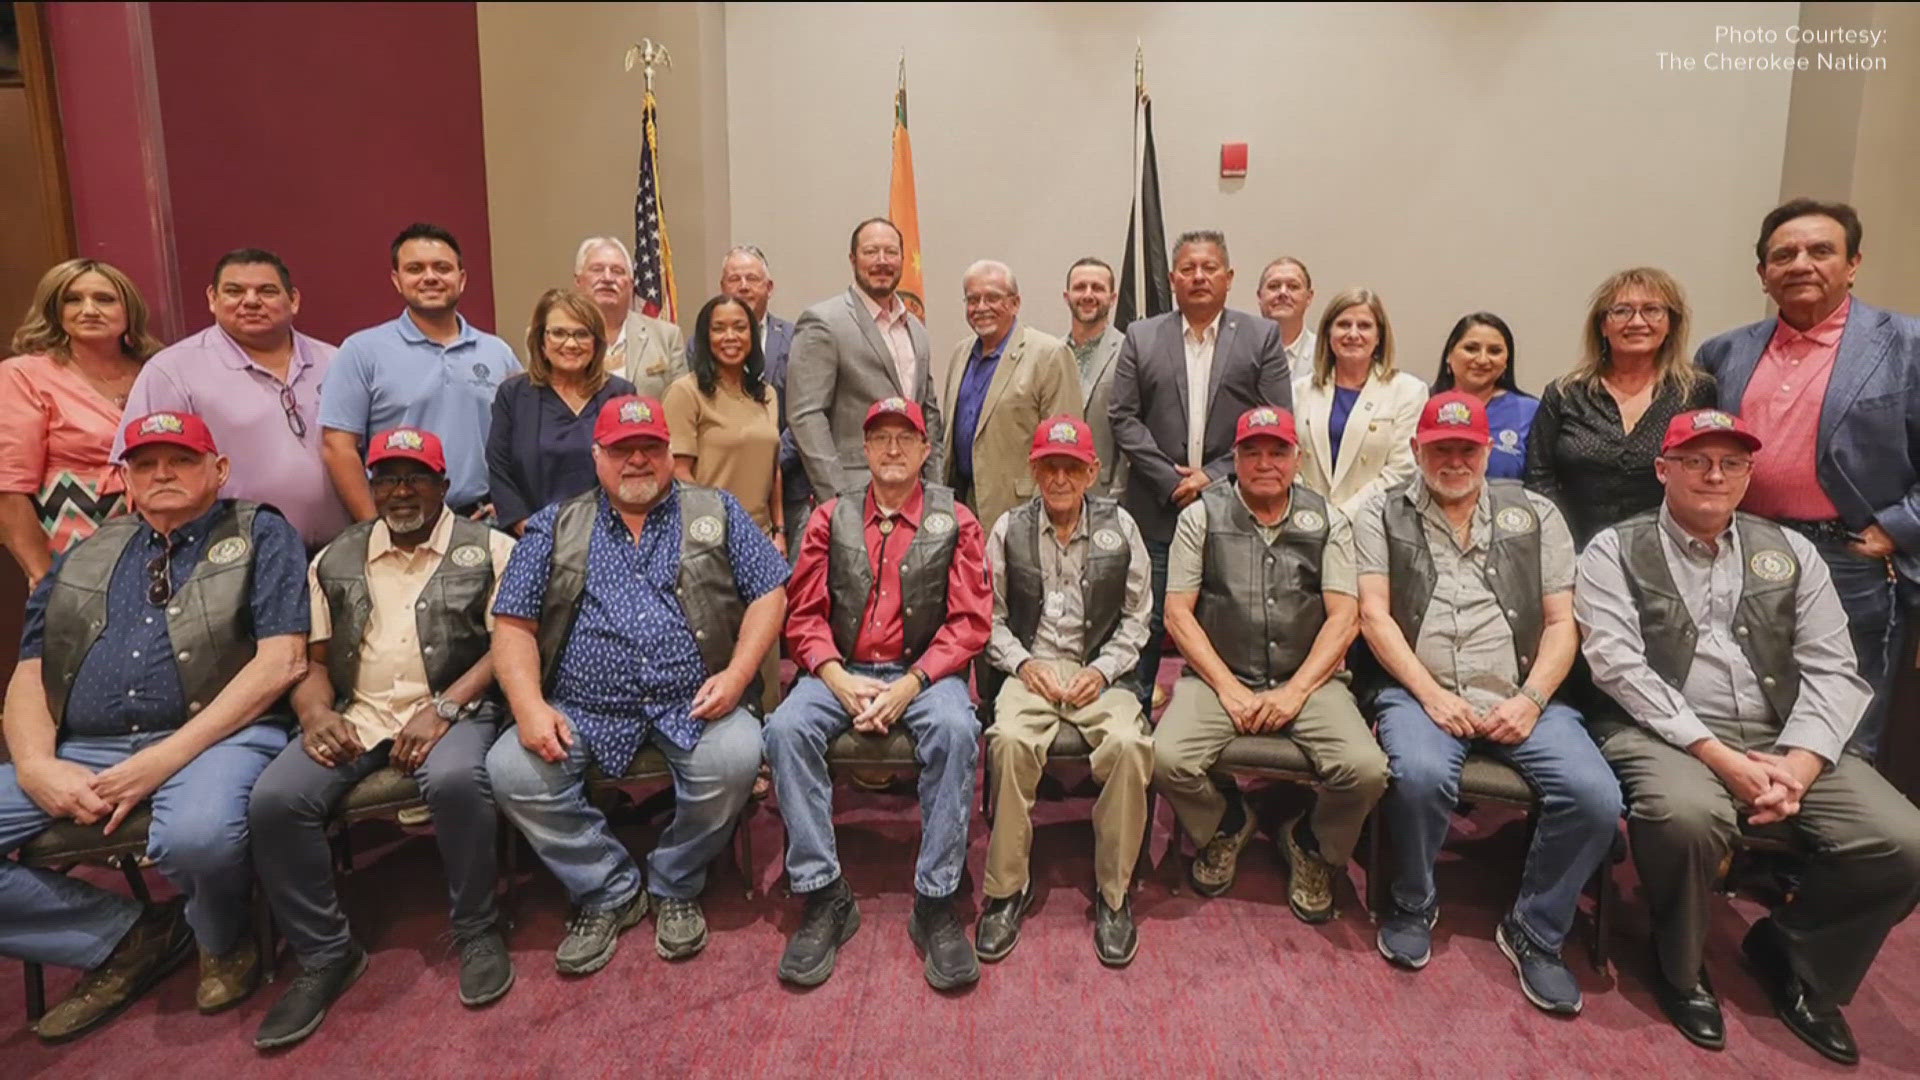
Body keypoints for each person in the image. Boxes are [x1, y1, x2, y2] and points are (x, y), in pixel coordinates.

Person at [1575, 408, 1920, 1064]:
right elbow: (1618, 667)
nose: (1714, 474)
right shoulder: (1613, 550)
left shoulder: (1791, 553)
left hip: (1785, 735)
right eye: (1696, 460)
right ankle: (1678, 965)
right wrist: (1717, 755)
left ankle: (1796, 957)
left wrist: (1801, 765)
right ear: (1663, 469)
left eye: (1731, 462)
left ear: (1748, 473)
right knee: (1685, 814)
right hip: (1663, 731)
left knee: (1903, 842)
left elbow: (1833, 669)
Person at [0, 411, 308, 1041]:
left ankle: (222, 941)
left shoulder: (261, 532)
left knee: (198, 838)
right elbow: (31, 671)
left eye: (182, 460)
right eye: (145, 463)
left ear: (218, 470)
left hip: (218, 736)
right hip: (81, 747)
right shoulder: (84, 553)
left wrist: (161, 761)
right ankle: (132, 935)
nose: (162, 473)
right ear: (125, 478)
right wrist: (35, 765)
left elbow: (282, 662)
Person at [486, 395, 785, 974]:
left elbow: (770, 592)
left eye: (650, 446)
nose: (639, 461)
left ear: (670, 451)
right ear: (597, 456)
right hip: (583, 708)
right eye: (624, 450)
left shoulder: (715, 510)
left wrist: (738, 673)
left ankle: (674, 881)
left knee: (737, 758)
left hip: (694, 701)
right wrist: (527, 706)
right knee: (512, 771)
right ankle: (609, 889)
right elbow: (513, 623)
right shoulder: (555, 524)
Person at [249, 428, 517, 1048]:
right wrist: (315, 714)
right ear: (369, 487)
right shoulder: (334, 558)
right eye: (387, 478)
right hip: (359, 712)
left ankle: (477, 926)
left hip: (456, 708)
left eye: (416, 477)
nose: (401, 491)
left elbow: (508, 646)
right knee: (274, 800)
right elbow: (311, 663)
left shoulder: (491, 548)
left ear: (444, 486)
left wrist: (446, 706)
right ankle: (326, 952)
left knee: (454, 779)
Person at [1355, 391, 1621, 1016]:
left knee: (1596, 798)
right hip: (1420, 687)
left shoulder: (1536, 514)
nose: (1453, 460)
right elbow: (1373, 615)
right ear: (1417, 449)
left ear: (1487, 452)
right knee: (1418, 775)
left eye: (1466, 449)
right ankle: (1414, 899)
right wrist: (1431, 694)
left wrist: (1531, 700)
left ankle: (1536, 928)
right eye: (1440, 448)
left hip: (1522, 688)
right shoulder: (1382, 512)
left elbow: (1563, 623)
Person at [765, 397, 990, 991]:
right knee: (784, 730)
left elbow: (969, 621)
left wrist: (916, 681)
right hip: (841, 668)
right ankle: (824, 894)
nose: (893, 449)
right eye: (880, 438)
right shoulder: (827, 517)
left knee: (957, 729)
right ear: (864, 450)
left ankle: (935, 901)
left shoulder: (956, 517)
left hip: (924, 673)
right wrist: (834, 675)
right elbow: (803, 615)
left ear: (924, 450)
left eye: (905, 438)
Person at [1694, 199, 1920, 762]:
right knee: (1742, 702)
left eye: (1821, 251)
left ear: (1853, 263)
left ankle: (1824, 847)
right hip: (1744, 550)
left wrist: (1896, 529)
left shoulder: (1908, 346)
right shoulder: (1724, 352)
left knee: (1841, 717)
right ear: (1763, 275)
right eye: (1784, 254)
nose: (1801, 264)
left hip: (1850, 557)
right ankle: (1754, 835)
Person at [1153, 405, 1388, 921]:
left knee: (1367, 770)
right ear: (1233, 459)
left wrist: (1296, 691)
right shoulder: (1201, 515)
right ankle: (1227, 822)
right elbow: (1177, 614)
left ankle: (1309, 842)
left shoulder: (1329, 519)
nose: (1265, 463)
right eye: (1251, 452)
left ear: (1296, 458)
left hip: (1310, 680)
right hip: (1219, 676)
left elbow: (1344, 617)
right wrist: (1228, 688)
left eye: (1277, 452)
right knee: (1166, 759)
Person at [979, 414, 1152, 966]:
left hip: (1100, 672)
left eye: (1071, 467)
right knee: (1007, 739)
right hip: (1033, 669)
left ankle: (1114, 895)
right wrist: (1024, 664)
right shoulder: (1007, 529)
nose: (1059, 478)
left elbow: (1137, 619)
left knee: (1129, 745)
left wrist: (1101, 671)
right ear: (1033, 470)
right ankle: (1006, 890)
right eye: (1049, 466)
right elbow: (990, 618)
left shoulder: (1120, 527)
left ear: (1091, 471)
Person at [1109, 229, 1291, 715]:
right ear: (1172, 279)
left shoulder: (1260, 336)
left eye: (1209, 268)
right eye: (1188, 269)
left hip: (1230, 512)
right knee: (1143, 624)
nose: (1199, 276)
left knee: (1219, 624)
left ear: (1229, 277)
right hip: (1155, 509)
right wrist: (1173, 482)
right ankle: (1133, 726)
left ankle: (1215, 731)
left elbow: (1276, 421)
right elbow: (1122, 417)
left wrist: (1211, 476)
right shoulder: (1142, 335)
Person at [116, 249, 347, 550]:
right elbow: (140, 473)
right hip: (230, 560)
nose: (251, 301)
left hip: (337, 553)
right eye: (234, 291)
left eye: (266, 291)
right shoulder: (172, 370)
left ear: (293, 300)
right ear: (212, 298)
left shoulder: (338, 362)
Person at [320, 223, 521, 523]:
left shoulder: (497, 352)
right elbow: (338, 446)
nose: (430, 277)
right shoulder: (362, 351)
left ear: (461, 279)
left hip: (483, 522)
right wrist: (373, 527)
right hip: (399, 521)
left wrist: (511, 505)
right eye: (415, 268)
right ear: (397, 280)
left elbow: (521, 437)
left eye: (442, 268)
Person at [1525, 267, 1716, 548]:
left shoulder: (1697, 392)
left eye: (1652, 310)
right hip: (1574, 549)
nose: (1637, 322)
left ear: (1671, 324)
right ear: (1602, 325)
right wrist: (1562, 543)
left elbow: (1709, 474)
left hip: (1668, 553)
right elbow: (1539, 476)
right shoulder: (1565, 392)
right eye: (1622, 311)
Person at [0, 259, 162, 584]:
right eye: (73, 299)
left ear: (129, 309)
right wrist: (42, 577)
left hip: (164, 539)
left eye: (104, 299)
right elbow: (9, 488)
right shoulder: (25, 375)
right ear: (55, 311)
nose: (88, 309)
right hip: (75, 550)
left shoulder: (158, 369)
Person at [664, 294, 785, 715]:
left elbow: (773, 467)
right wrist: (717, 536)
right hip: (706, 541)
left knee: (764, 647)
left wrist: (780, 530)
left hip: (762, 535)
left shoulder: (765, 394)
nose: (730, 336)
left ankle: (765, 747)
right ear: (704, 335)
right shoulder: (686, 392)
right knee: (718, 648)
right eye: (719, 328)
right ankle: (726, 746)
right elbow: (678, 474)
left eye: (740, 327)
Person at [787, 217, 946, 499]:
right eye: (871, 252)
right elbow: (806, 416)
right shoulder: (824, 322)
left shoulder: (917, 331)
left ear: (903, 259)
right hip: (855, 494)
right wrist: (840, 498)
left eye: (891, 252)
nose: (882, 261)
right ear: (853, 259)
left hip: (916, 498)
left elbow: (928, 414)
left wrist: (936, 490)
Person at [939, 260, 1081, 537]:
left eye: (992, 298)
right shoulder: (961, 353)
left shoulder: (1049, 354)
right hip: (961, 506)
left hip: (1023, 510)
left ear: (1015, 303)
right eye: (973, 299)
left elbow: (1066, 447)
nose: (981, 307)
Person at [487, 289, 635, 533]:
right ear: (541, 341)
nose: (571, 344)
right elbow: (500, 471)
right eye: (558, 333)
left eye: (582, 334)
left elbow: (633, 469)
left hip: (608, 540)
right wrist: (532, 533)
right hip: (530, 537)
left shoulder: (621, 395)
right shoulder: (513, 395)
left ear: (596, 343)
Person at [1292, 287, 1429, 519]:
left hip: (1373, 523)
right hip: (1308, 520)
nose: (1353, 334)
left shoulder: (1408, 391)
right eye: (1344, 325)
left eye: (1364, 326)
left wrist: (1342, 516)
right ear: (1328, 333)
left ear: (1379, 337)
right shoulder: (1300, 390)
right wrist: (1314, 514)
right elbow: (1290, 461)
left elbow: (1402, 470)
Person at [710, 245, 804, 556]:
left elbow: (803, 414)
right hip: (720, 492)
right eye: (734, 278)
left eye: (752, 278)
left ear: (769, 287)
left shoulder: (797, 339)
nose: (743, 286)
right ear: (722, 286)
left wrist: (766, 461)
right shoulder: (701, 344)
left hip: (789, 493)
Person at [573, 235, 687, 398]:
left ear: (631, 283)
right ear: (578, 281)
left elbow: (680, 406)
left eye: (617, 271)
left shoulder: (667, 337)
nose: (607, 278)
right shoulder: (553, 338)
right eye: (597, 269)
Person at [1430, 312, 1538, 480]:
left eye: (1494, 351)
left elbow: (1540, 480)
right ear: (1449, 355)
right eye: (1471, 348)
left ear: (1506, 361)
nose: (1482, 359)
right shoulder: (1423, 404)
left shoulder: (1530, 412)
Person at [1061, 257, 1127, 498]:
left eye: (1098, 288)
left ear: (1113, 297)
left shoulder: (1130, 352)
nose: (1088, 295)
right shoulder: (1050, 354)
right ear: (1067, 296)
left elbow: (1133, 428)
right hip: (1055, 492)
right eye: (1080, 287)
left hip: (1107, 495)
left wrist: (1118, 494)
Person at [1255, 256, 1317, 373]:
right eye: (1274, 286)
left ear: (1309, 297)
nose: (1283, 293)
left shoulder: (1324, 354)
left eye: (1293, 287)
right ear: (1259, 296)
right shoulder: (1239, 351)